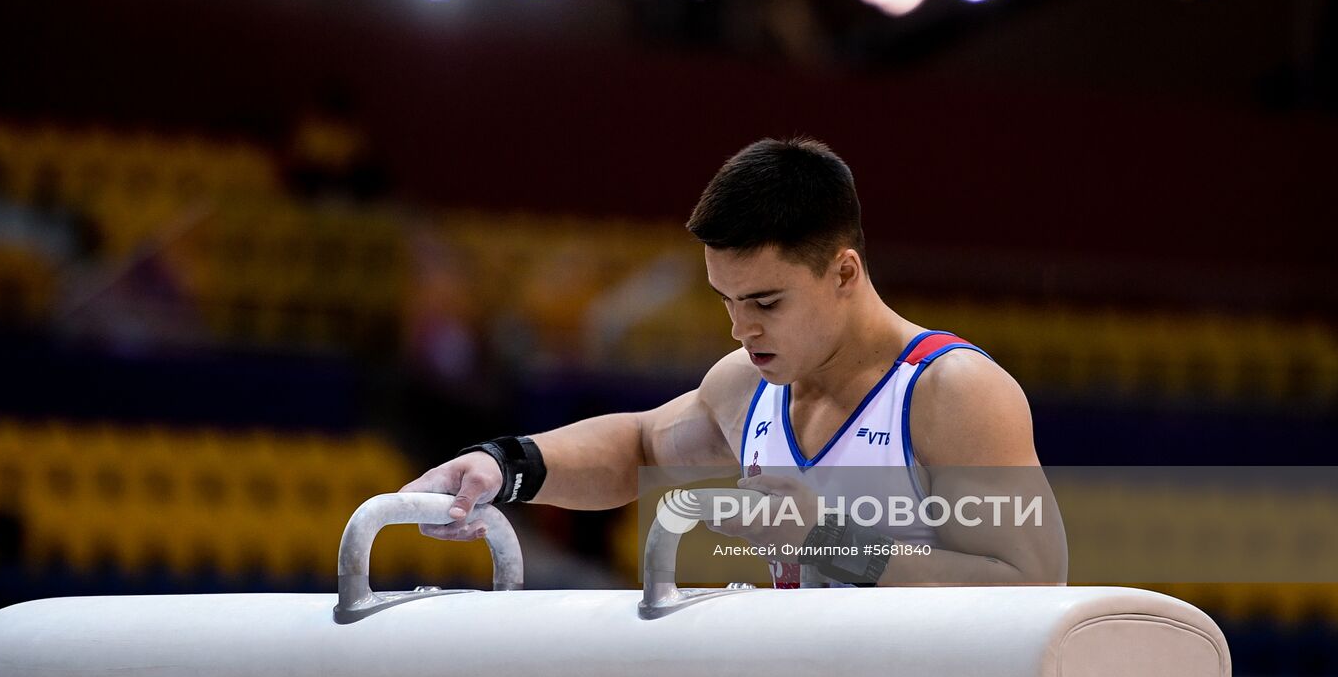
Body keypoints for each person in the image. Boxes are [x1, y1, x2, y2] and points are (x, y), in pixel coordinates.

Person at [400, 137, 1066, 587]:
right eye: (726, 300)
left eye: (766, 302)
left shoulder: (952, 392)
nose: (741, 328)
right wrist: (502, 464)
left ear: (843, 273)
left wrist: (826, 539)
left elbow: (1032, 589)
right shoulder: (747, 386)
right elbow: (638, 446)